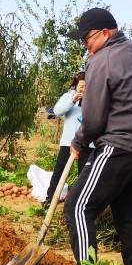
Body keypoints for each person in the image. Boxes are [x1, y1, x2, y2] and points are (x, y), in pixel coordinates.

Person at [63, 7, 132, 265]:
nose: (84, 44)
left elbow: (95, 119)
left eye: (87, 38)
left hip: (119, 146)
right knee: (127, 212)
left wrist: (78, 142)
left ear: (106, 33)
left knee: (77, 206)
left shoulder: (101, 61)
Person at [43, 71, 86, 207]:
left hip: (87, 143)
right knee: (60, 171)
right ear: (76, 85)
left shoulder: (94, 97)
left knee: (84, 174)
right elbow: (57, 111)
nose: (83, 90)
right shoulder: (68, 96)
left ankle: (81, 203)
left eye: (86, 86)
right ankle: (50, 199)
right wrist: (73, 100)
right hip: (69, 141)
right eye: (81, 87)